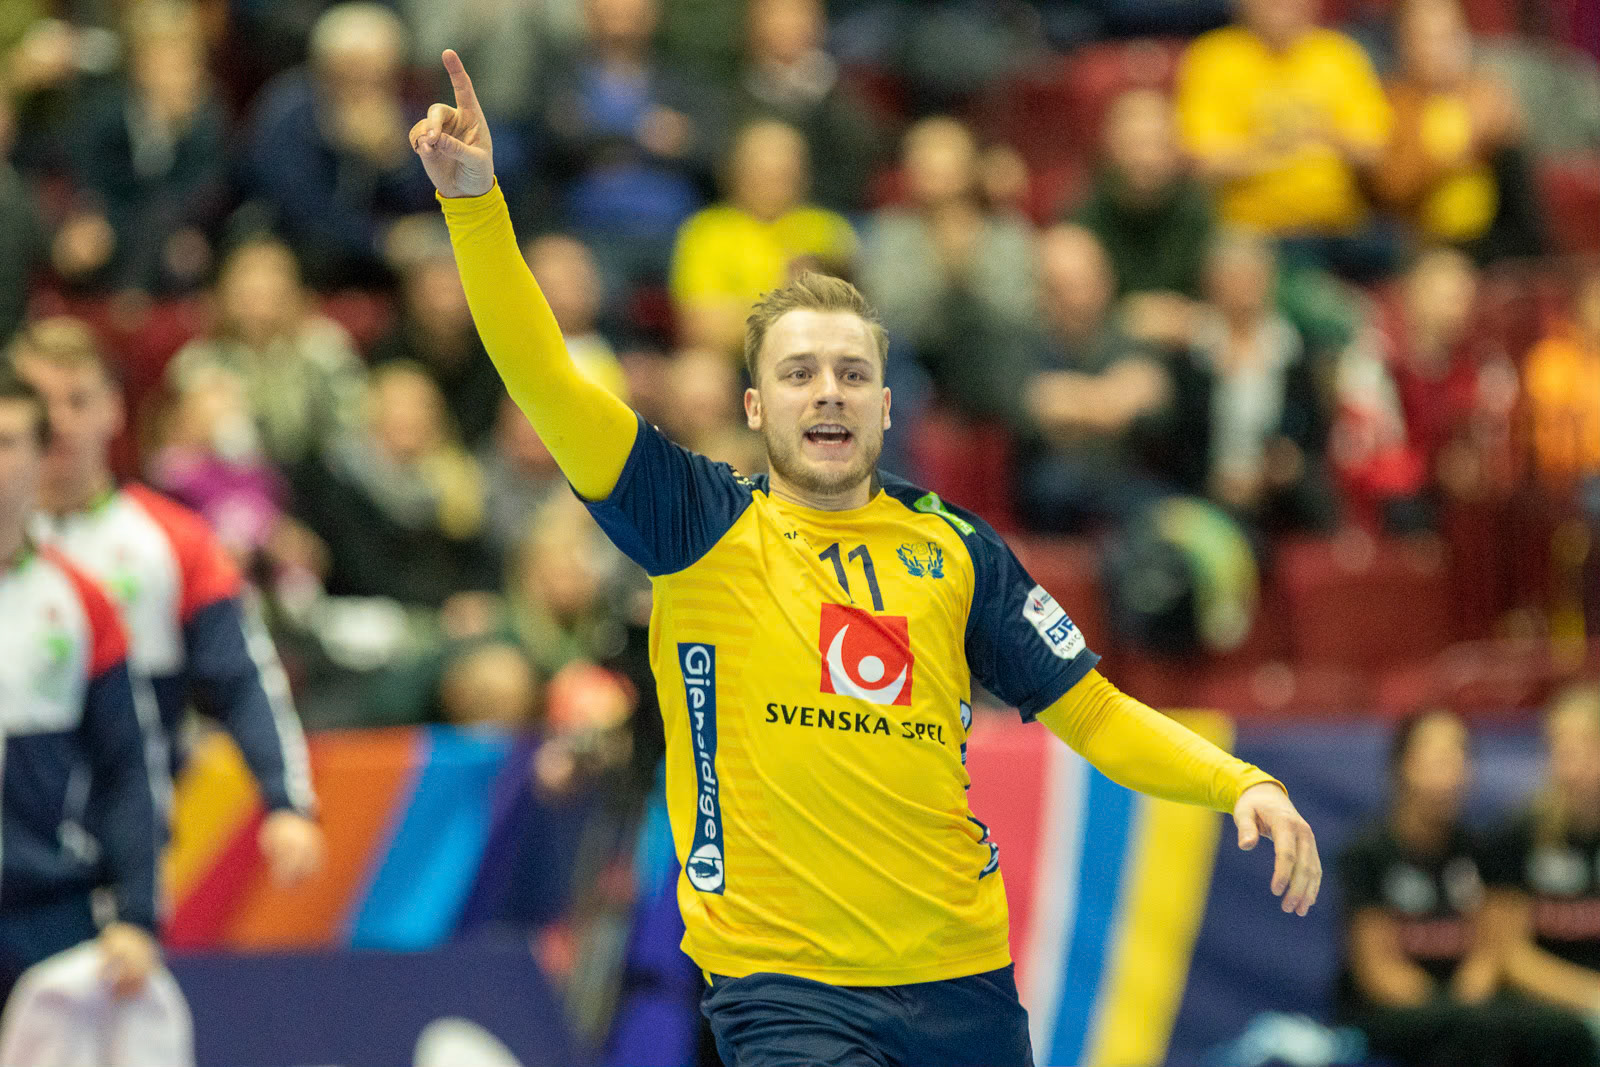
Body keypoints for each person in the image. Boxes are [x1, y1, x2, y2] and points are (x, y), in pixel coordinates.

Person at [411, 50, 1320, 1067]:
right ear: (755, 408)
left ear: (888, 405)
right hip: (784, 988)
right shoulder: (697, 524)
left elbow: (1094, 714)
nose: (830, 392)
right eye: (798, 373)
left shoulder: (957, 549)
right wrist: (476, 207)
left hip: (961, 980)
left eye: (853, 372)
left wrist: (1237, 781)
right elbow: (544, 379)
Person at [10, 318, 322, 888]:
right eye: (38, 402)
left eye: (77, 401)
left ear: (114, 410)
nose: (56, 423)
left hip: (132, 841)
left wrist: (284, 801)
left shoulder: (175, 541)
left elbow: (243, 678)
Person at [0, 366, 162, 1007]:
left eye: (8, 442)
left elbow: (128, 765)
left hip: (49, 912)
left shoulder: (82, 601)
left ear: (42, 456)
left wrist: (136, 914)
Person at [1336, 708, 1597, 1067]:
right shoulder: (1368, 854)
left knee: (1556, 1031)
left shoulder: (1479, 851)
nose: (1450, 772)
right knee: (1465, 1032)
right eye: (1437, 759)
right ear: (1402, 765)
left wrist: (1470, 994)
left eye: (1460, 757)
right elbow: (1378, 970)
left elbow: (1491, 950)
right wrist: (1447, 1008)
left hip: (1472, 1006)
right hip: (1397, 1009)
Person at [1479, 686, 1600, 1047]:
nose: (1570, 757)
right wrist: (1592, 998)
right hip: (1547, 1006)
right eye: (1559, 745)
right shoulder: (1517, 835)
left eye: (1585, 745)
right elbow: (1509, 956)